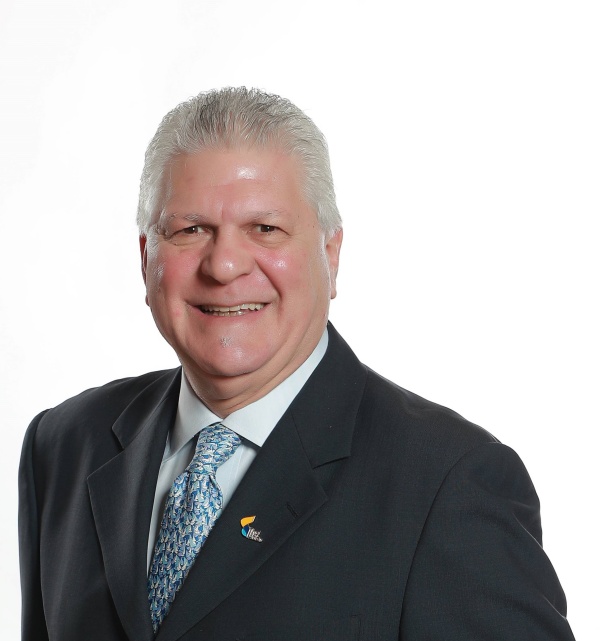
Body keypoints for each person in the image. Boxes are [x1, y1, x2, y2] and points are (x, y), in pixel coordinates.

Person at [18, 87, 575, 641]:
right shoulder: (64, 446)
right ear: (146, 260)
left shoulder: (448, 485)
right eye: (190, 229)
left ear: (331, 256)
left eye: (265, 229)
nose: (224, 265)